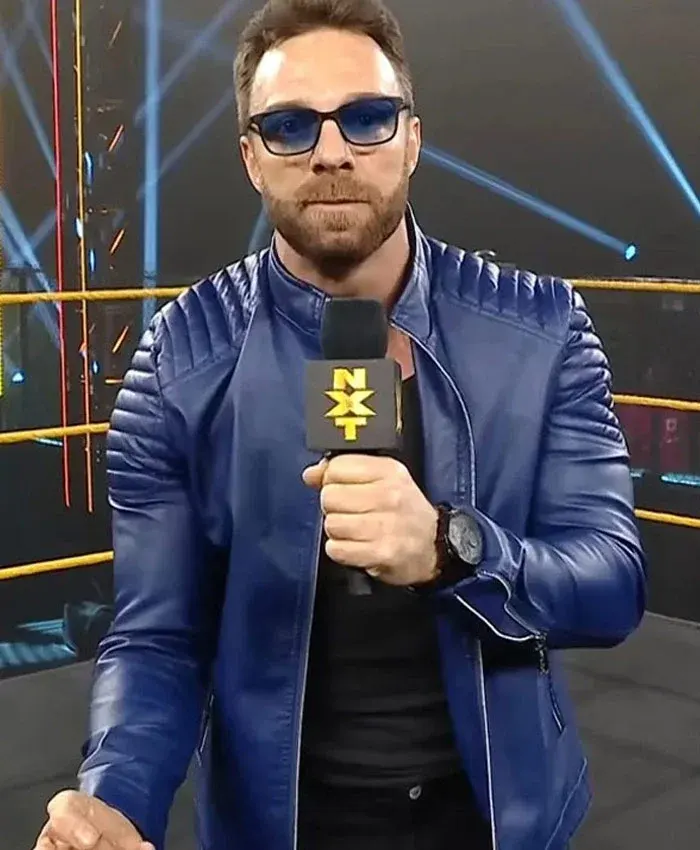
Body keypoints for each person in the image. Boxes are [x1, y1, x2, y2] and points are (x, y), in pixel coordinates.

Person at [33, 1, 647, 848]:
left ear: (412, 140)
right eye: (290, 126)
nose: (331, 151)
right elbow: (156, 636)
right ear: (251, 157)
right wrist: (116, 799)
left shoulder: (542, 329)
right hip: (282, 825)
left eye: (366, 117)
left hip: (499, 818)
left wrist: (450, 549)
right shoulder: (180, 357)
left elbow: (612, 584)